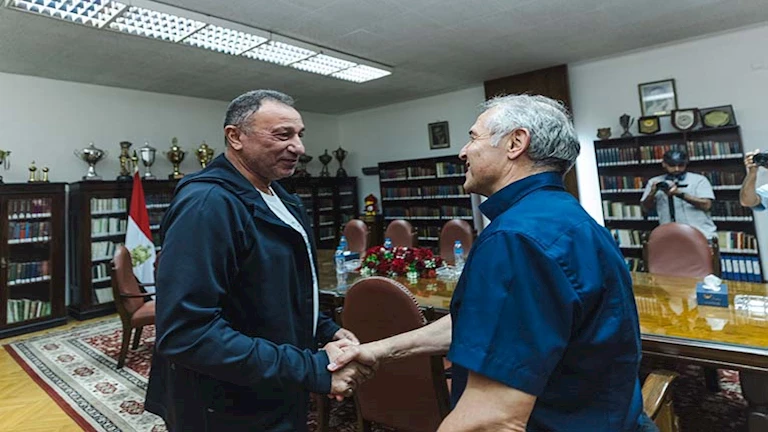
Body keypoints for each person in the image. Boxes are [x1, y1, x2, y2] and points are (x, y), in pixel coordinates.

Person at [327, 94, 655, 431]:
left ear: (515, 143)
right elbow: (491, 325)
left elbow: (493, 418)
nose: (462, 152)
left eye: (473, 137)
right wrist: (379, 350)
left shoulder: (515, 238)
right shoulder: (568, 218)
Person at [145, 89, 370, 432]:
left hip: (273, 384)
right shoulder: (207, 204)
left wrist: (325, 329)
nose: (299, 147)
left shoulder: (282, 197)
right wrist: (310, 369)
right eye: (283, 135)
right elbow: (186, 332)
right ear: (235, 137)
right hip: (225, 405)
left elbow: (280, 288)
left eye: (299, 135)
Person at [641, 149, 717, 239]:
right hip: (669, 236)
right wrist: (652, 193)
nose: (677, 169)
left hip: (700, 234)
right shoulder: (654, 182)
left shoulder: (699, 180)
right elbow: (645, 208)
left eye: (681, 165)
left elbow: (707, 205)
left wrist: (680, 194)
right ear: (664, 164)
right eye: (672, 165)